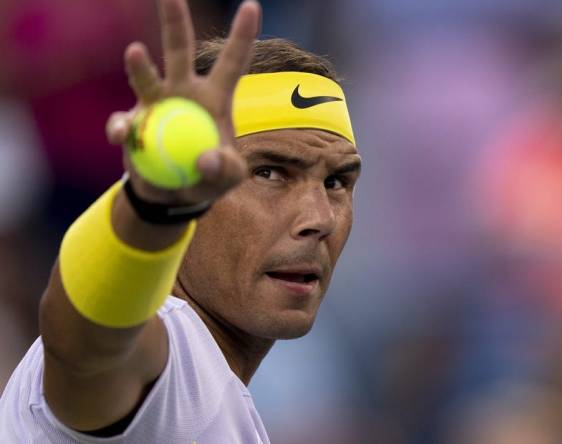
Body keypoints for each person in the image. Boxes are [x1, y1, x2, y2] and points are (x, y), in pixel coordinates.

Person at [0, 0, 361, 442]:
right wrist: (152, 206)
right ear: (191, 195)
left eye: (337, 182)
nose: (318, 219)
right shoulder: (167, 352)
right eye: (269, 172)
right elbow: (86, 345)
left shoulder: (218, 390)